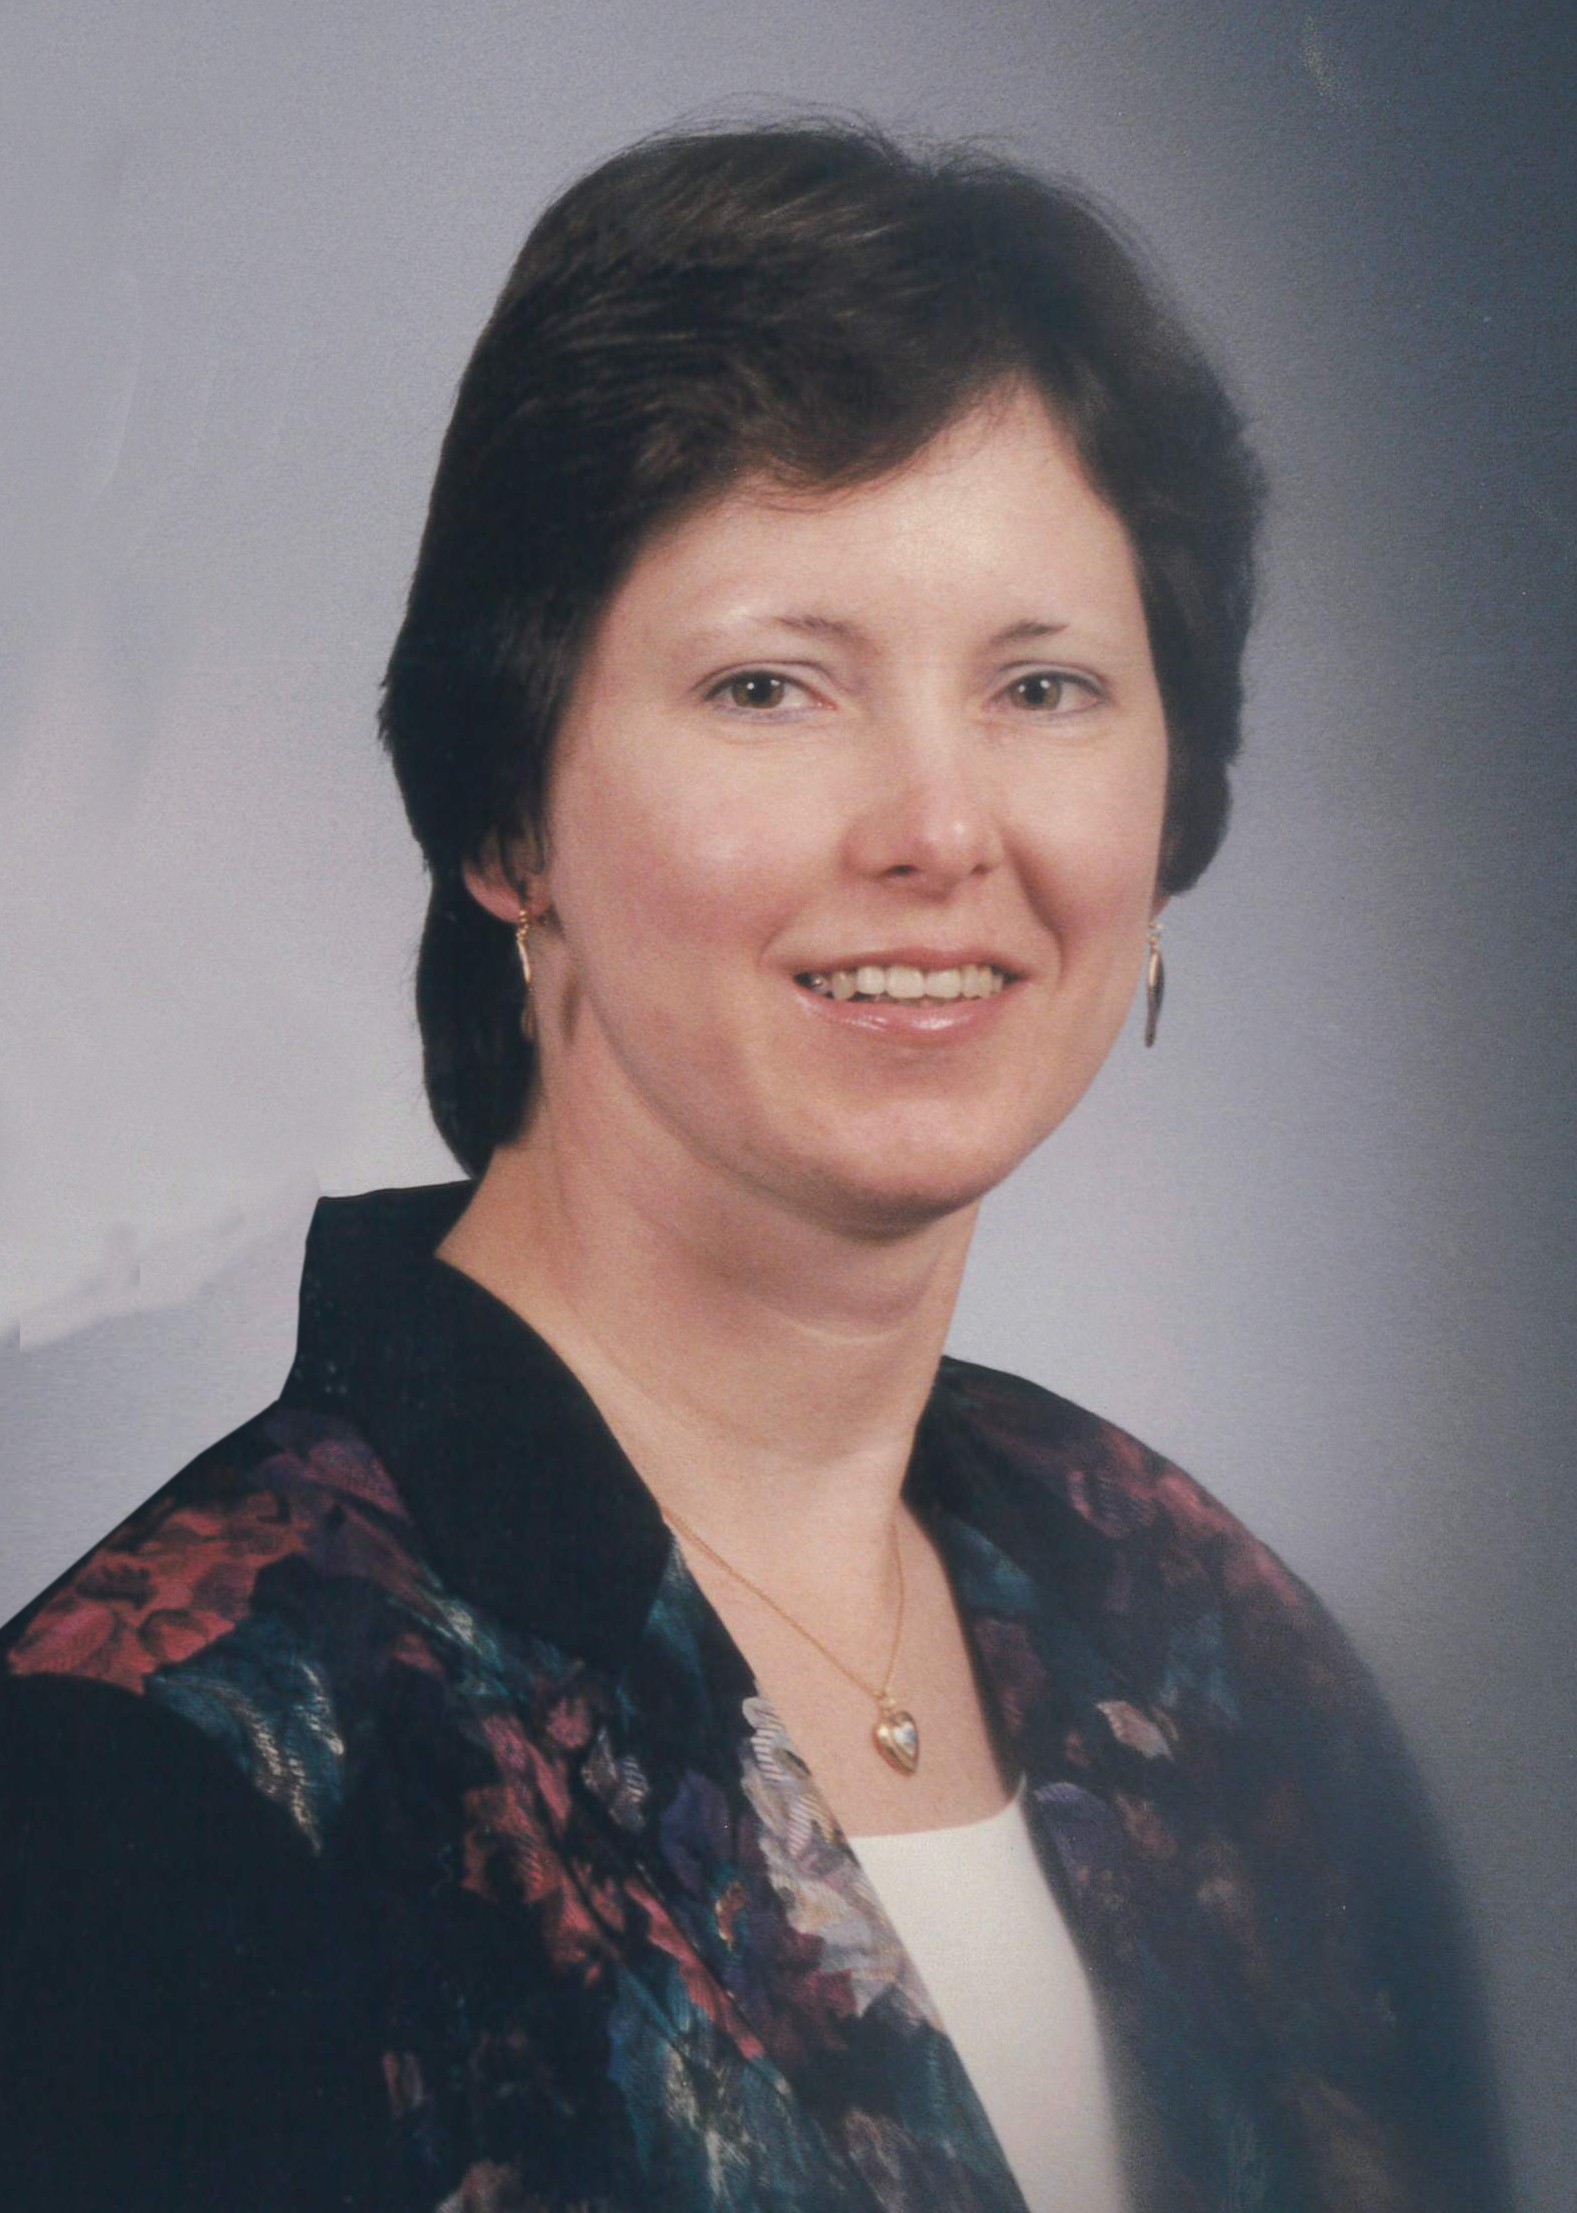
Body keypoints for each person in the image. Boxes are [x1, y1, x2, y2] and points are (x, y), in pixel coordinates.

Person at [0, 122, 1506, 2213]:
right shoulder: (145, 1781)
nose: (938, 827)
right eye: (772, 686)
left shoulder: (1203, 1629)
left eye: (1044, 684)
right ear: (506, 819)